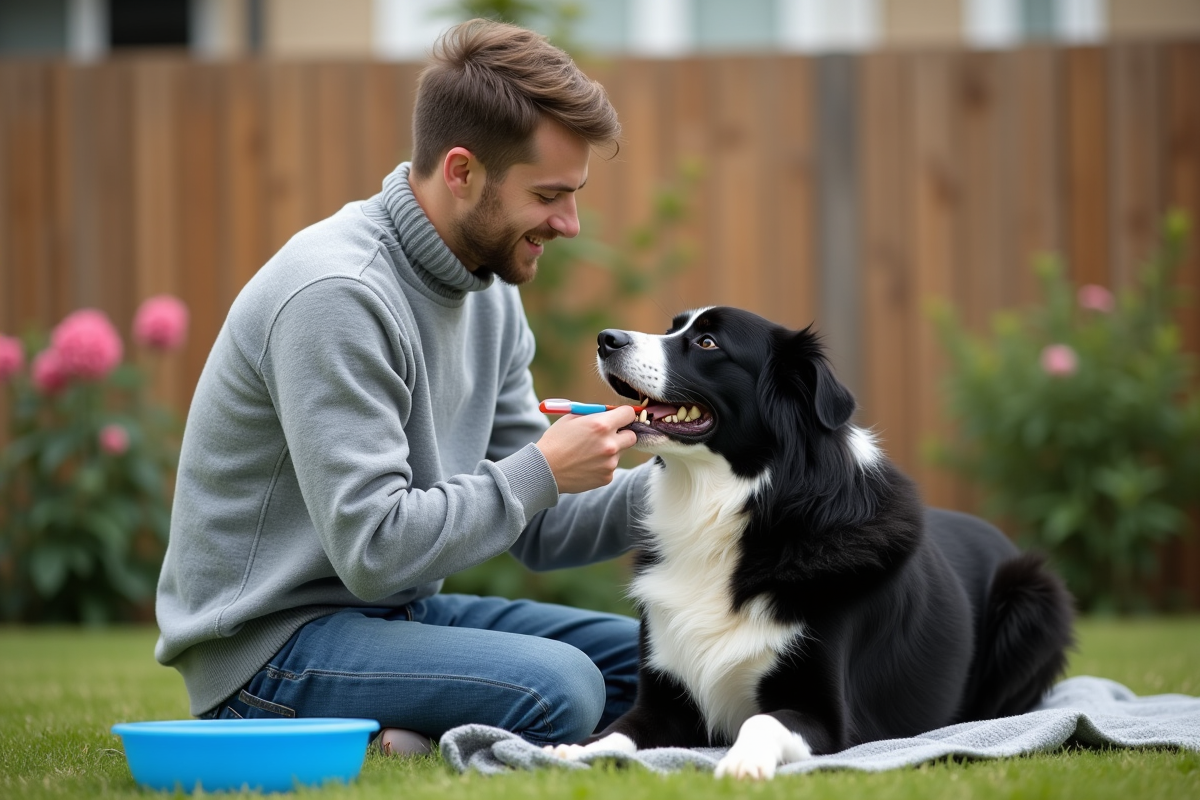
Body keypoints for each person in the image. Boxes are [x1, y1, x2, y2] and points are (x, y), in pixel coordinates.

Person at [153, 18, 648, 754]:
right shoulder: (337, 294)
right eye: (550, 194)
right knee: (563, 688)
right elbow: (375, 548)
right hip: (272, 650)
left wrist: (705, 476)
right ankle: (379, 734)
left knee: (662, 664)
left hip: (392, 622)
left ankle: (403, 733)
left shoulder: (490, 292)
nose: (570, 223)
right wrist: (542, 468)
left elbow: (540, 528)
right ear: (461, 172)